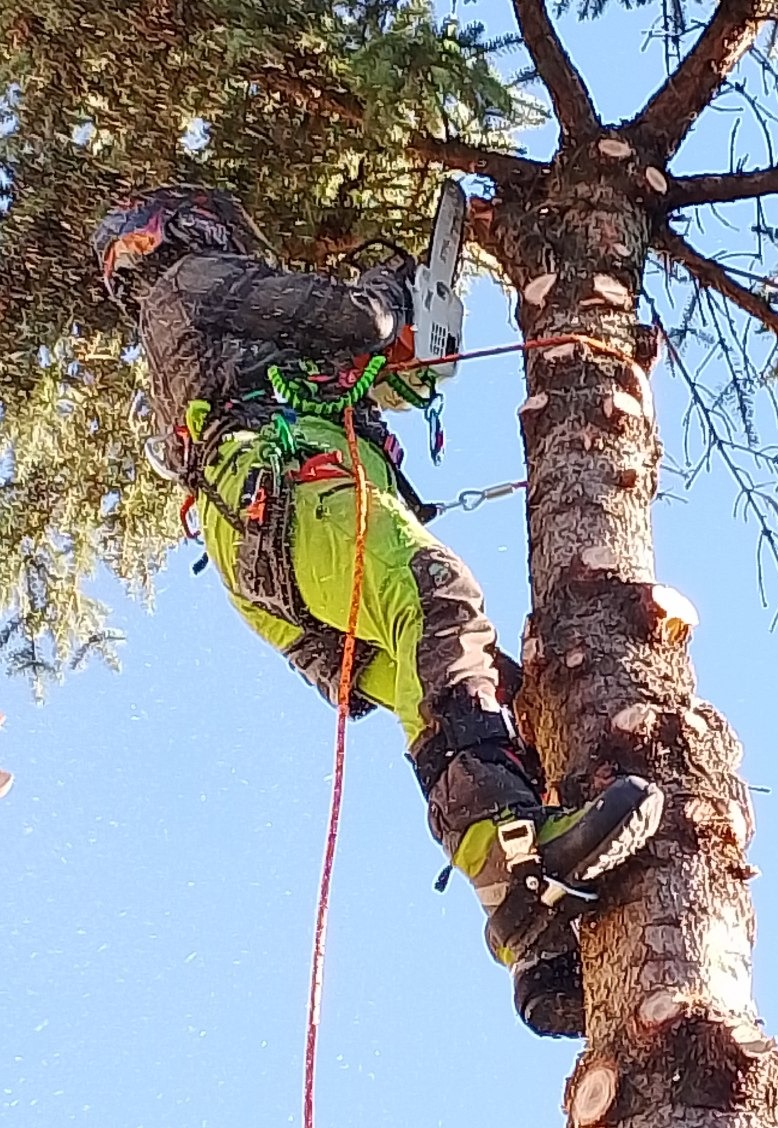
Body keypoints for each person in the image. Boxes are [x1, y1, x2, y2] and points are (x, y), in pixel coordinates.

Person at [93, 185, 663, 1037]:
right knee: (440, 600)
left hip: (268, 528)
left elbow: (350, 359)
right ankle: (514, 839)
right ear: (180, 230)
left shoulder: (206, 335)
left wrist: (388, 348)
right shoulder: (190, 280)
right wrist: (392, 293)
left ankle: (527, 925)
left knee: (432, 681)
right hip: (292, 489)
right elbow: (349, 320)